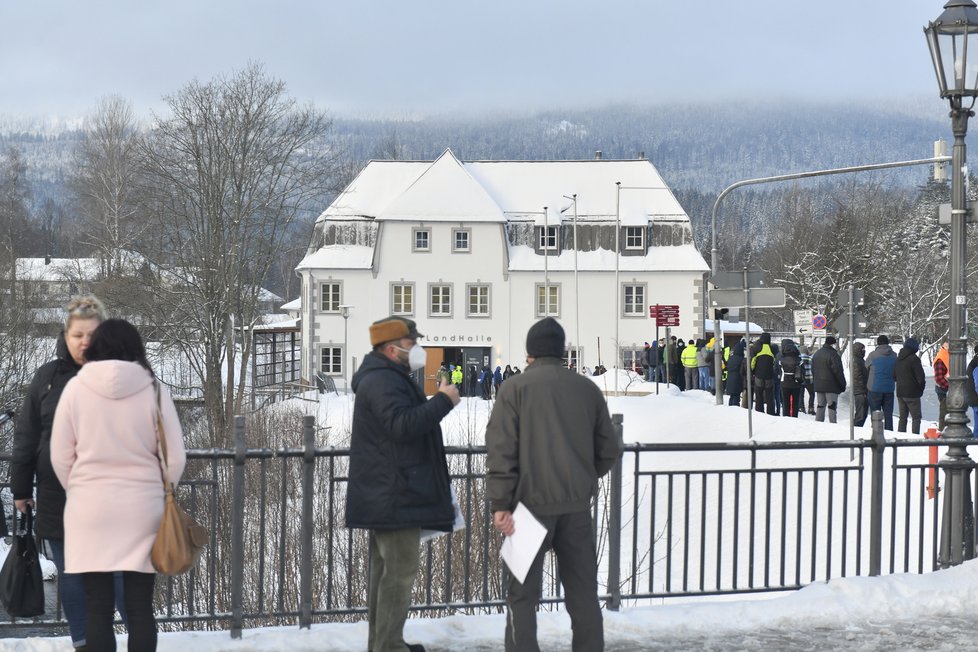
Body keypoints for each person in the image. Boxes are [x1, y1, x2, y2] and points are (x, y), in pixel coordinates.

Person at [486, 317, 622, 652]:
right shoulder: (586, 388)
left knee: (521, 597)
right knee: (583, 597)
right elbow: (608, 450)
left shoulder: (513, 389)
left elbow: (501, 452)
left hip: (526, 511)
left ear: (530, 352)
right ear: (562, 351)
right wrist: (583, 477)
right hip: (575, 510)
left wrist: (501, 504)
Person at [50, 318, 186, 652]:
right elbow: (176, 458)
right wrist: (159, 489)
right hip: (143, 509)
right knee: (140, 607)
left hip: (89, 510)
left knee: (97, 605)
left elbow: (59, 456)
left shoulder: (76, 389)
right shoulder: (154, 389)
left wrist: (80, 488)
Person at [10, 295, 121, 650]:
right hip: (58, 493)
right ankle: (86, 643)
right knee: (73, 574)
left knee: (118, 573)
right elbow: (26, 436)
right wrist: (20, 490)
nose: (85, 342)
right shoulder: (46, 377)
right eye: (78, 334)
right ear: (66, 334)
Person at [345, 316, 460, 652]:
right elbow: (401, 425)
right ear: (392, 348)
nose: (417, 348)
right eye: (412, 343)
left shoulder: (386, 376)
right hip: (394, 494)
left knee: (387, 576)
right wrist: (443, 401)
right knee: (397, 576)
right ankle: (388, 645)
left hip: (392, 492)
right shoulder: (383, 380)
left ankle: (383, 643)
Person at [894, 337, 926, 434]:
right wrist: (920, 390)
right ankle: (915, 437)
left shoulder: (898, 358)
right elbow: (920, 377)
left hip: (900, 392)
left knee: (902, 417)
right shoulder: (914, 359)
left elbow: (893, 376)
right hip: (912, 393)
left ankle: (900, 436)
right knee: (916, 418)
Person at [811, 336, 846, 423]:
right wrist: (842, 385)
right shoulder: (834, 355)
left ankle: (818, 424)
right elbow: (838, 371)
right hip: (831, 386)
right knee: (832, 406)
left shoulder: (817, 353)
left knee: (820, 406)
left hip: (819, 385)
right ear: (832, 344)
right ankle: (833, 425)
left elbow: (813, 369)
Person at [867, 335, 897, 431]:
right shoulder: (894, 355)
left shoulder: (872, 355)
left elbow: (866, 366)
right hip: (889, 388)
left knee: (875, 413)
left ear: (878, 343)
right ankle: (889, 433)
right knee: (888, 414)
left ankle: (876, 432)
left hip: (874, 388)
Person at [750, 333, 776, 415]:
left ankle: (759, 411)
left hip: (758, 375)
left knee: (759, 394)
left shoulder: (757, 348)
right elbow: (774, 362)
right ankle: (770, 412)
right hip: (769, 375)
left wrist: (753, 371)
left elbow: (753, 362)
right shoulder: (772, 348)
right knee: (769, 395)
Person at [778, 340, 804, 418]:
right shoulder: (799, 360)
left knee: (785, 403)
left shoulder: (781, 360)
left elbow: (779, 371)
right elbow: (803, 372)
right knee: (795, 403)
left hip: (784, 383)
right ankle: (794, 417)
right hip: (796, 383)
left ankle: (786, 418)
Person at [851, 342, 869, 427]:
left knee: (863, 413)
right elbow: (858, 377)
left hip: (861, 391)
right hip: (860, 391)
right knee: (860, 414)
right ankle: (856, 430)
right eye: (862, 349)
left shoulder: (860, 360)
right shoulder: (856, 361)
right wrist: (864, 391)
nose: (864, 351)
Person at [724, 340, 746, 407]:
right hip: (737, 379)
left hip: (730, 379)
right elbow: (743, 371)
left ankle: (730, 408)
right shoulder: (741, 359)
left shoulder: (730, 358)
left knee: (732, 397)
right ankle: (735, 410)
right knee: (736, 397)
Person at [934, 342, 949, 431]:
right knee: (944, 412)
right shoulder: (941, 359)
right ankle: (942, 430)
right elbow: (939, 378)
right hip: (943, 389)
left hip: (945, 388)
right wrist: (950, 387)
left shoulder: (945, 356)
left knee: (947, 412)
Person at [799, 345, 816, 414]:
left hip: (801, 379)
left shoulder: (798, 359)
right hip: (809, 379)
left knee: (801, 394)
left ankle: (802, 408)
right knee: (812, 394)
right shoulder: (810, 358)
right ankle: (811, 408)